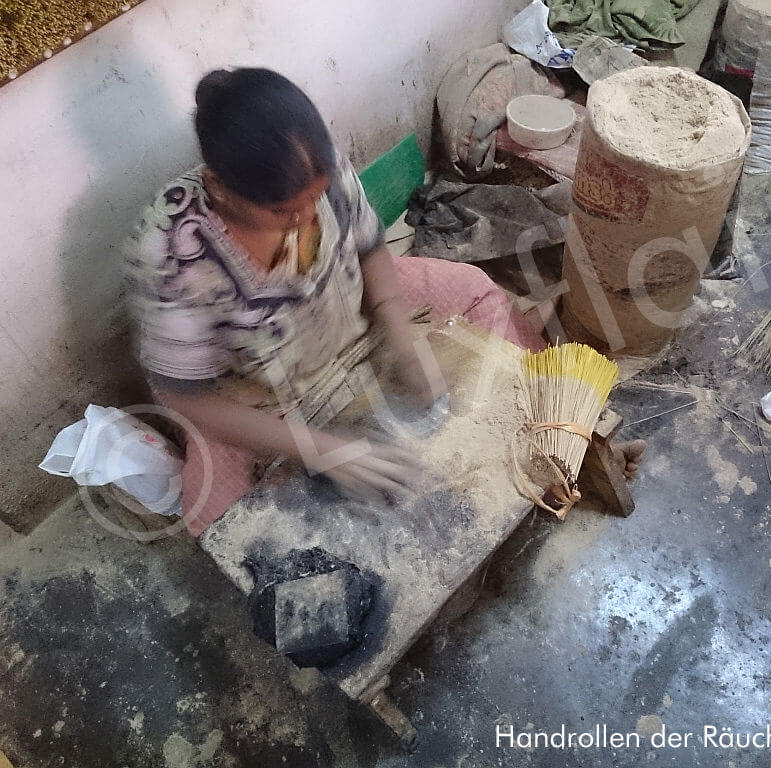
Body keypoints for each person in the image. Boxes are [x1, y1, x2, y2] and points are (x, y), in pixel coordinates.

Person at [126, 68, 546, 536]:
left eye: (316, 198)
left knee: (478, 293)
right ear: (219, 187)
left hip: (357, 316)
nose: (307, 219)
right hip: (264, 397)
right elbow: (185, 397)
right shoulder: (171, 248)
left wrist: (401, 337)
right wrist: (320, 449)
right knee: (217, 518)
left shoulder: (320, 167)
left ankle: (559, 431)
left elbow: (370, 248)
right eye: (283, 213)